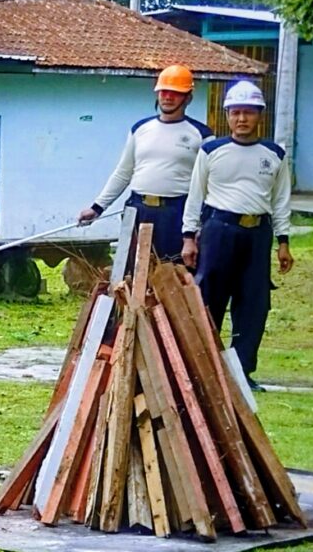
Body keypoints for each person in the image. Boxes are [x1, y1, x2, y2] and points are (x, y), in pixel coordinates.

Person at [182, 79, 294, 385]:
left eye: (249, 112)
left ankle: (242, 372)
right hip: (220, 229)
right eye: (235, 112)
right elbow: (195, 195)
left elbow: (281, 200)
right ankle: (204, 368)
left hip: (257, 234)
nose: (242, 119)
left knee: (254, 302)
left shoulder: (275, 154)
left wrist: (284, 242)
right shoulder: (211, 150)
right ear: (227, 115)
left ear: (260, 115)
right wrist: (189, 237)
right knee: (210, 298)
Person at [77, 64, 209, 261]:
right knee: (131, 274)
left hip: (176, 214)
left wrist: (197, 226)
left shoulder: (202, 135)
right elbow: (123, 172)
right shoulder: (140, 129)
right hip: (138, 209)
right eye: (163, 92)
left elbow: (207, 187)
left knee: (172, 277)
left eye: (175, 93)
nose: (167, 97)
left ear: (188, 97)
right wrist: (97, 208)